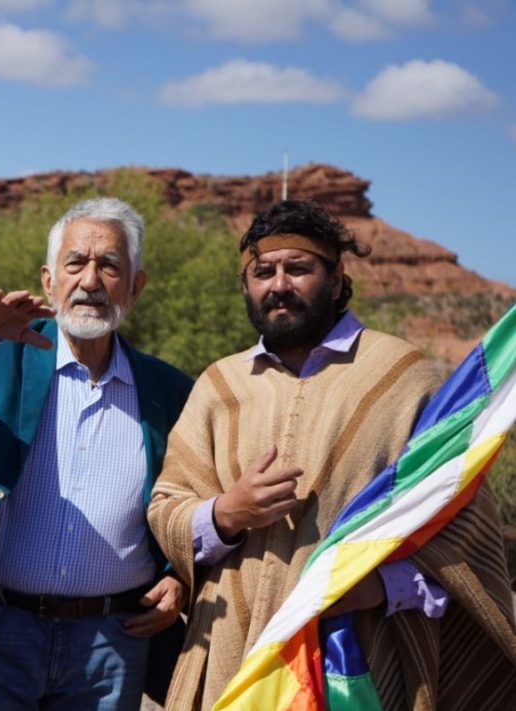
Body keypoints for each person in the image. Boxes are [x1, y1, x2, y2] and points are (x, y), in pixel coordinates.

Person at [148, 199, 516, 710]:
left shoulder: (403, 377)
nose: (278, 284)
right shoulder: (220, 385)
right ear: (246, 286)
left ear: (337, 277)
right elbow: (166, 503)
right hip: (234, 658)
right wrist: (224, 515)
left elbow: (465, 530)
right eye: (263, 272)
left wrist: (385, 587)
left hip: (359, 659)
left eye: (298, 268)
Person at [0, 197, 194, 710]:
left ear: (136, 287)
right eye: (76, 263)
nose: (91, 280)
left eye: (110, 266)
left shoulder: (169, 392)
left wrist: (181, 578)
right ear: (49, 280)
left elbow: (193, 499)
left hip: (112, 642)